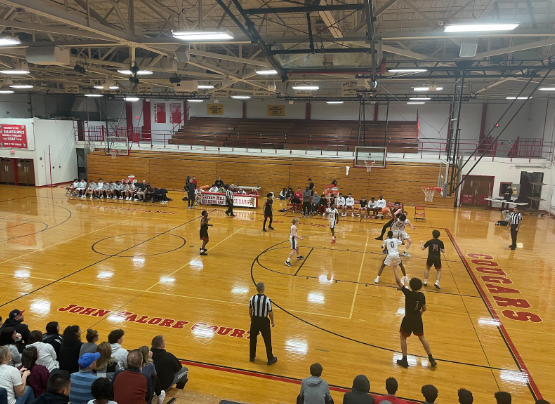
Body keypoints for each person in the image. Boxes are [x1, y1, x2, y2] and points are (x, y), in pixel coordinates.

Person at [392, 265, 436, 368]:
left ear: (411, 286)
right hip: (417, 319)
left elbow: (399, 282)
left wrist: (394, 269)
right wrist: (420, 313)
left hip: (408, 319)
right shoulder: (421, 296)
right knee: (422, 338)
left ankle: (405, 360)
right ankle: (431, 358)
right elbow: (424, 309)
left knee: (403, 338)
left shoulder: (408, 293)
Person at [248, 283, 277, 365]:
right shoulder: (267, 300)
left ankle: (251, 357)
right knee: (267, 340)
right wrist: (272, 321)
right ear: (263, 289)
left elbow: (250, 310)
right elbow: (270, 312)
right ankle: (270, 358)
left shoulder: (252, 298)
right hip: (264, 321)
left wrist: (251, 318)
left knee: (253, 339)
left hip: (255, 320)